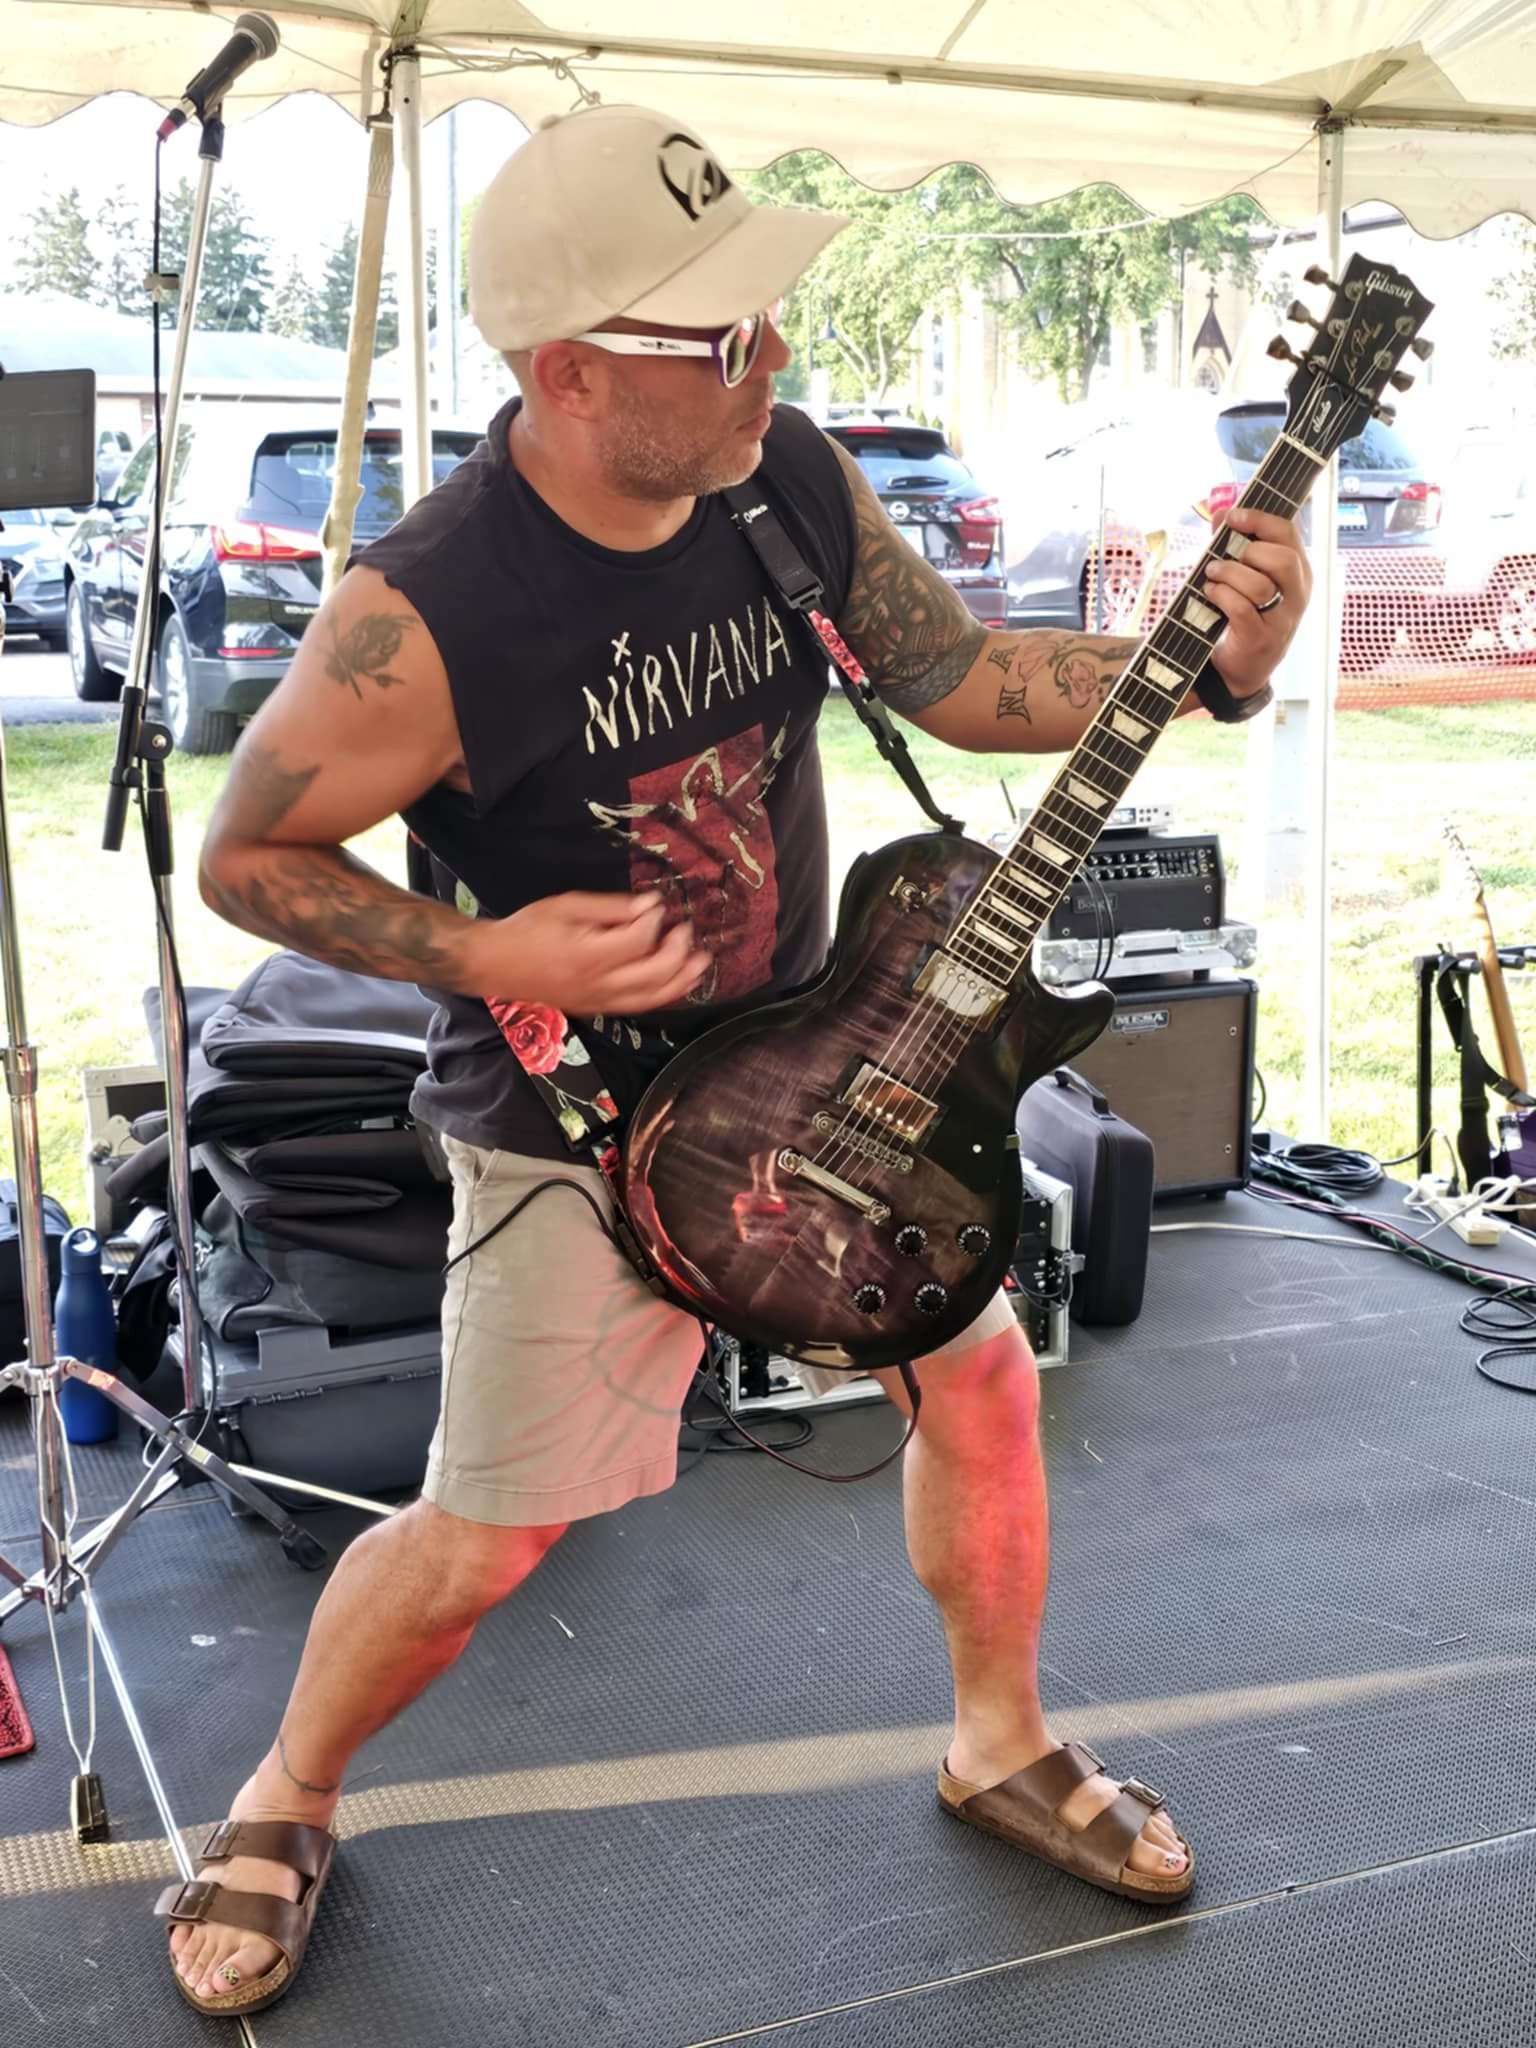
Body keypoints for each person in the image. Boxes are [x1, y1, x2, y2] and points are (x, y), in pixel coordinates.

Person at [162, 104, 1310, 2017]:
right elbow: (247, 857)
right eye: (716, 337)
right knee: (483, 1539)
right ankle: (286, 1798)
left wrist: (1199, 659)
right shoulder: (427, 612)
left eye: (763, 322)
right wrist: (473, 944)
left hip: (828, 1068)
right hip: (571, 1119)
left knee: (991, 1389)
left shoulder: (777, 477)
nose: (767, 358)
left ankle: (1000, 1738)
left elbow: (962, 683)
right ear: (565, 372)